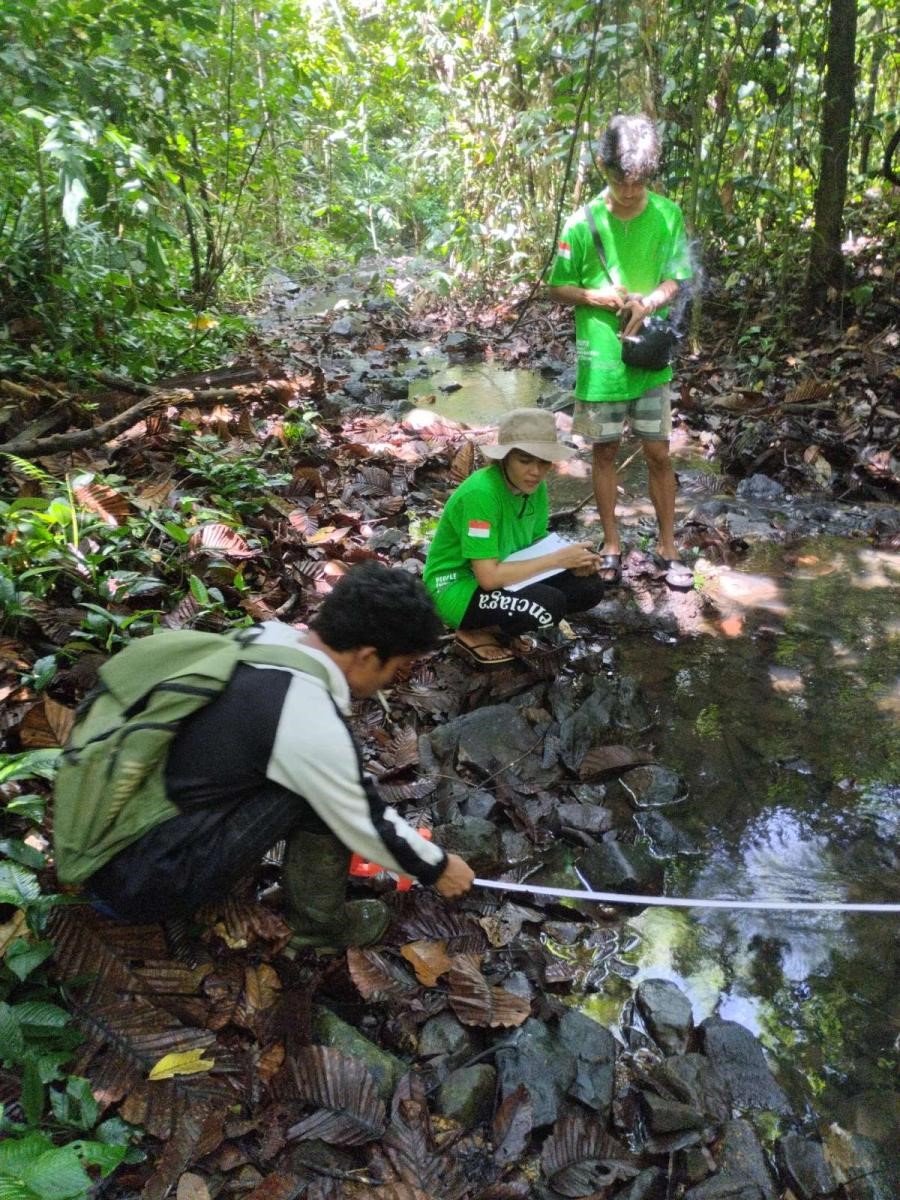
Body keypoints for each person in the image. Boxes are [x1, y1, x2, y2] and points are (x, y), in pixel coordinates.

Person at [58, 564, 474, 948]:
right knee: (317, 794)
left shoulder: (266, 639)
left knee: (306, 779)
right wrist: (438, 868)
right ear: (367, 655)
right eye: (394, 667)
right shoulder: (307, 719)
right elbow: (365, 821)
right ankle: (317, 928)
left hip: (100, 835)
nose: (390, 681)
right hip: (142, 882)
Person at [547, 113, 695, 589]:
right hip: (601, 360)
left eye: (637, 182)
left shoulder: (668, 215)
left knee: (658, 452)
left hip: (650, 359)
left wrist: (649, 300)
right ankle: (612, 544)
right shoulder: (582, 221)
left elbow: (677, 278)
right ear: (602, 166)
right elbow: (558, 287)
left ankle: (667, 544)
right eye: (619, 180)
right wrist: (597, 297)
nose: (629, 192)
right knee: (604, 451)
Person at [423, 407, 608, 666]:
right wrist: (557, 561)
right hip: (458, 586)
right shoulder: (482, 494)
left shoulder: (535, 486)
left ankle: (499, 627)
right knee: (548, 606)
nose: (535, 471)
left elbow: (536, 541)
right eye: (525, 460)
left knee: (590, 588)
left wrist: (575, 560)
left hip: (505, 570)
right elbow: (487, 578)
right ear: (505, 459)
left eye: (544, 462)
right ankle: (474, 630)